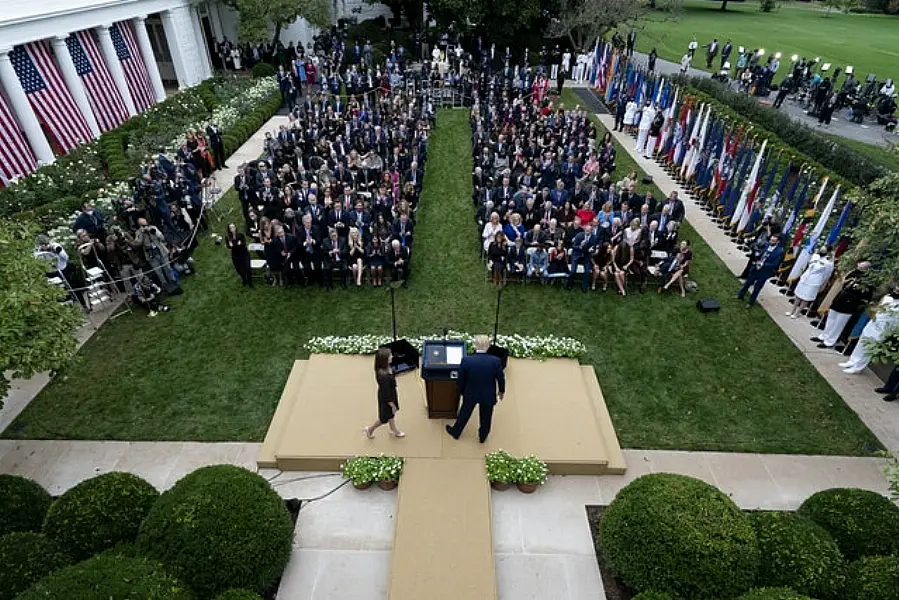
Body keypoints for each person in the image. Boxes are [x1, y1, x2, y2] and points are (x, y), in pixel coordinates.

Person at [446, 335, 506, 443]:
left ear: (475, 345)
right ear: (488, 346)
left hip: (470, 393)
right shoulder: (496, 361)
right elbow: (500, 378)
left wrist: (461, 391)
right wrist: (501, 391)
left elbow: (461, 379)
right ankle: (483, 436)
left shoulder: (466, 360)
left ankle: (456, 432)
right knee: (486, 416)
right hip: (488, 394)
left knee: (464, 412)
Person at [812, 262, 873, 349]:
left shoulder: (867, 279)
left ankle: (830, 341)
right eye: (861, 263)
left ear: (867, 268)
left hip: (850, 303)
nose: (860, 264)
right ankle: (824, 336)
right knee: (831, 319)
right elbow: (844, 283)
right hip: (840, 299)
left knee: (839, 323)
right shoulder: (852, 272)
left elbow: (866, 295)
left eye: (863, 264)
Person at [839, 289, 899, 374]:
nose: (897, 290)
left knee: (868, 349)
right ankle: (852, 361)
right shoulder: (887, 297)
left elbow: (896, 322)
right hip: (873, 323)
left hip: (883, 329)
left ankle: (858, 367)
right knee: (861, 342)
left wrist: (889, 332)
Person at [363, 347, 406, 439]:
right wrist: (393, 405)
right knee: (383, 418)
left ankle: (394, 429)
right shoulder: (384, 377)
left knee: (391, 414)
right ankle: (370, 429)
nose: (392, 357)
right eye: (389, 356)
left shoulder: (386, 367)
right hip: (387, 399)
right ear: (384, 360)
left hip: (389, 394)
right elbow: (386, 394)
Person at [737, 233, 784, 308]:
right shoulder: (765, 244)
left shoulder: (779, 251)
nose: (771, 242)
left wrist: (762, 264)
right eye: (771, 240)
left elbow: (775, 264)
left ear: (777, 242)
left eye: (773, 241)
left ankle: (750, 302)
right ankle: (740, 295)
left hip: (764, 272)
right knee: (747, 283)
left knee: (757, 288)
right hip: (755, 268)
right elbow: (756, 249)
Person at [787, 247, 834, 319]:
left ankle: (797, 313)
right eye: (821, 249)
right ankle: (792, 311)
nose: (821, 250)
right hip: (805, 278)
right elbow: (809, 265)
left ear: (827, 252)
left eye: (824, 250)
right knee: (798, 294)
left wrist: (822, 285)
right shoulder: (815, 256)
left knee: (806, 297)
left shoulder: (828, 263)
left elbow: (827, 275)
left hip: (814, 281)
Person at [225, 222, 253, 287]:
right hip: (236, 256)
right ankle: (244, 279)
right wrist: (233, 245)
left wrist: (237, 245)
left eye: (233, 227)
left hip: (244, 254)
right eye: (231, 228)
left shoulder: (240, 235)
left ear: (235, 227)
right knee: (239, 270)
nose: (232, 229)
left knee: (248, 269)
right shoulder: (228, 237)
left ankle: (250, 281)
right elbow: (229, 246)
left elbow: (243, 244)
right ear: (229, 229)